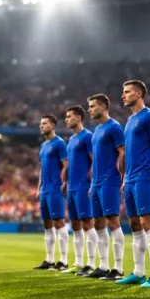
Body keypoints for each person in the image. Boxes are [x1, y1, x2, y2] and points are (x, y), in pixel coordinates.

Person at [115, 80, 150, 289]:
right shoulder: (129, 121)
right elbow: (126, 153)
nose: (123, 95)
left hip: (145, 175)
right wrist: (125, 177)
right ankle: (138, 272)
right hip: (131, 178)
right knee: (134, 224)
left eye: (127, 92)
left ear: (138, 93)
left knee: (147, 221)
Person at [85, 94, 125, 281]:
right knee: (98, 223)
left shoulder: (114, 127)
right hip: (97, 183)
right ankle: (103, 266)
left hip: (110, 180)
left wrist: (123, 177)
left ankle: (118, 268)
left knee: (112, 221)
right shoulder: (96, 131)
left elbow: (123, 153)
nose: (90, 109)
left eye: (93, 106)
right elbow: (95, 161)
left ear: (103, 106)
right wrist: (93, 182)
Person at [62, 105, 95, 275]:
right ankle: (79, 263)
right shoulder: (72, 140)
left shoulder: (87, 137)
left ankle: (91, 263)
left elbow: (94, 159)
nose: (66, 119)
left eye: (69, 117)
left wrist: (92, 180)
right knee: (75, 224)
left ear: (79, 118)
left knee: (87, 223)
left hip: (84, 186)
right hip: (72, 187)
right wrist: (65, 181)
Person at [33, 115, 69, 271]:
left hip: (55, 188)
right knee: (47, 225)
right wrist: (38, 188)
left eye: (45, 123)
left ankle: (63, 260)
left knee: (59, 223)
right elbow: (42, 170)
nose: (41, 126)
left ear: (53, 125)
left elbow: (66, 165)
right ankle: (49, 259)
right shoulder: (43, 146)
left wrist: (65, 183)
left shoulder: (60, 144)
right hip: (45, 190)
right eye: (40, 123)